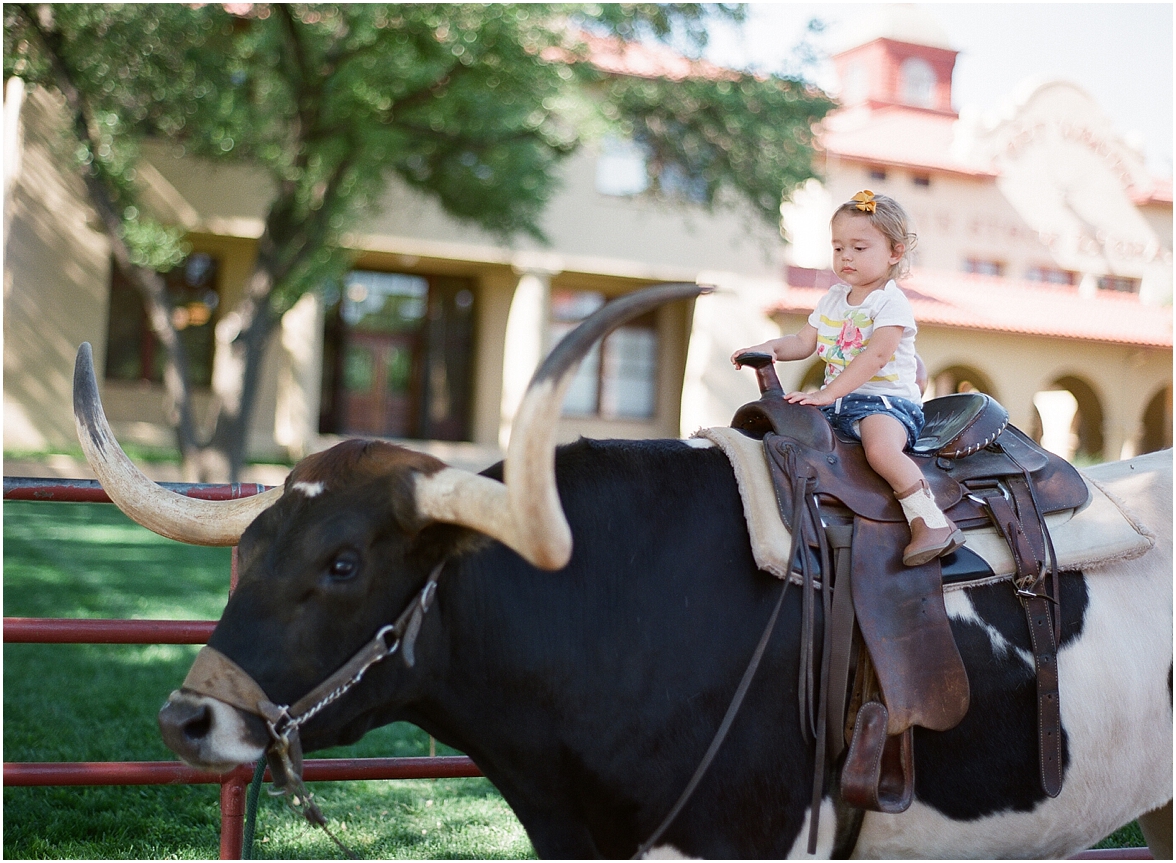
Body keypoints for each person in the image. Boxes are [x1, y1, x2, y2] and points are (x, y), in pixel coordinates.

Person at [731, 190, 962, 566]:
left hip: (886, 402)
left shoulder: (890, 302)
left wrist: (826, 392)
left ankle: (930, 520)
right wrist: (770, 348)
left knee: (880, 450)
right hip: (839, 401)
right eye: (838, 248)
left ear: (895, 253)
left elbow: (876, 356)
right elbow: (803, 341)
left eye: (859, 247)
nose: (846, 257)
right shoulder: (833, 300)